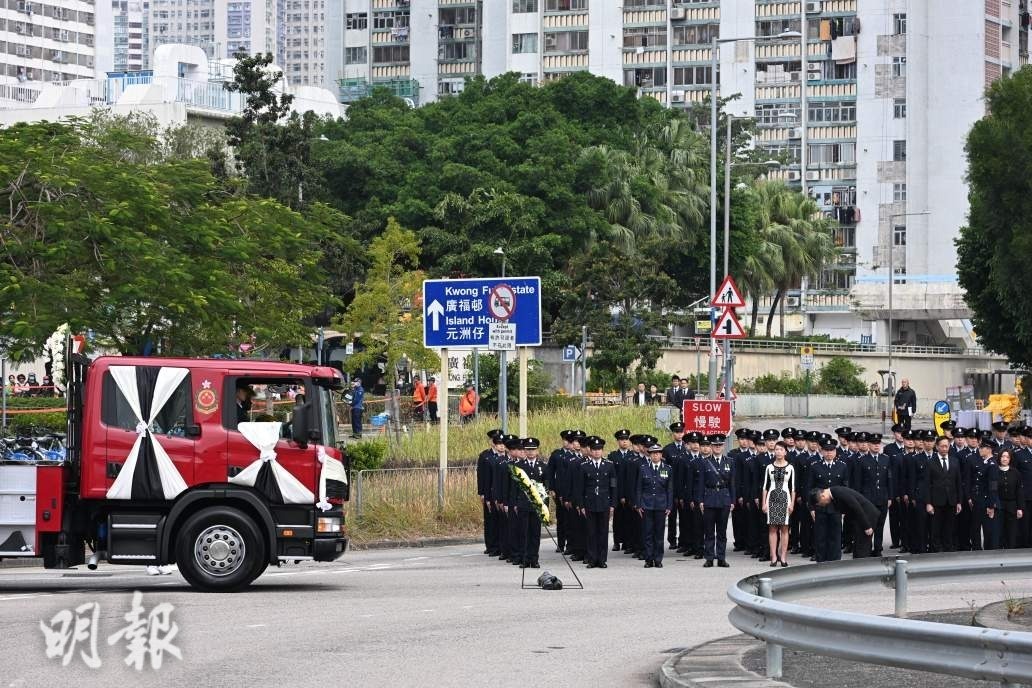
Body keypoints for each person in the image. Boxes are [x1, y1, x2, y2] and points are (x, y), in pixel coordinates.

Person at [575, 435, 616, 569]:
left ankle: (602, 559)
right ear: (590, 451)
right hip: (590, 503)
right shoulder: (584, 466)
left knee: (603, 532)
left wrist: (612, 504)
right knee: (591, 532)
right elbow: (580, 487)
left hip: (604, 503)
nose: (597, 452)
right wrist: (580, 505)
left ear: (602, 451)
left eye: (599, 449)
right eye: (594, 449)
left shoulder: (609, 466)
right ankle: (592, 559)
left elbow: (613, 486)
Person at [809, 486, 881, 559]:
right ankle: (858, 566)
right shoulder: (833, 495)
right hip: (860, 518)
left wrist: (867, 526)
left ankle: (862, 567)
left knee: (862, 548)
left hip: (867, 516)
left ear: (823, 496)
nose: (823, 505)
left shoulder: (838, 492)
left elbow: (856, 506)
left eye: (821, 503)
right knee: (857, 547)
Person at [808, 438, 849, 562]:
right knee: (820, 536)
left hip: (836, 507)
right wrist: (811, 508)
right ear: (822, 451)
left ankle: (835, 561)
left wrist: (844, 508)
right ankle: (821, 562)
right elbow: (810, 489)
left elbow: (845, 489)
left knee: (835, 536)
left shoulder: (842, 466)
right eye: (826, 450)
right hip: (820, 507)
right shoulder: (815, 466)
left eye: (831, 450)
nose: (829, 453)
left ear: (835, 452)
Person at [696, 434, 734, 568]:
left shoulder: (729, 461)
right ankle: (709, 558)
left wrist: (732, 500)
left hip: (724, 498)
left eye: (720, 445)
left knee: (722, 532)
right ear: (711, 447)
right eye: (715, 445)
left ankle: (721, 558)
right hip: (709, 498)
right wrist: (700, 500)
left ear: (723, 447)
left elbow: (732, 484)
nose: (717, 447)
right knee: (709, 531)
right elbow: (700, 483)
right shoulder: (705, 462)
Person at [635, 442, 673, 568]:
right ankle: (648, 559)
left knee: (659, 533)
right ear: (650, 455)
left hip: (661, 505)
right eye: (653, 453)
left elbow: (670, 489)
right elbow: (639, 488)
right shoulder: (643, 468)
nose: (655, 455)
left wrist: (669, 506)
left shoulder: (667, 469)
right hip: (647, 505)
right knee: (648, 533)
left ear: (661, 454)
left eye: (657, 453)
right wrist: (639, 504)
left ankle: (658, 559)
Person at [924, 436, 962, 552]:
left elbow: (958, 482)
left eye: (947, 446)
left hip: (951, 500)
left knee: (949, 527)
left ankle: (948, 548)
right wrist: (928, 503)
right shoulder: (930, 462)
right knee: (936, 527)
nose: (945, 449)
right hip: (936, 501)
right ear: (937, 447)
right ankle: (936, 549)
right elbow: (926, 484)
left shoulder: (955, 461)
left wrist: (959, 501)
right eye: (943, 446)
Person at [860, 433, 894, 556]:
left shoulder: (886, 459)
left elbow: (889, 479)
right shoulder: (862, 460)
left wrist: (890, 496)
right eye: (873, 444)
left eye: (878, 444)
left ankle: (878, 548)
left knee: (880, 524)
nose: (876, 446)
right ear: (869, 445)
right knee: (869, 524)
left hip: (883, 497)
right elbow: (860, 481)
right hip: (868, 498)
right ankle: (867, 547)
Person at [515, 438, 545, 569]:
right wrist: (515, 503)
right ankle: (524, 558)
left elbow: (546, 487)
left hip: (537, 506)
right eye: (528, 450)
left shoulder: (543, 467)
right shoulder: (519, 467)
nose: (531, 452)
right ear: (525, 451)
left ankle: (534, 559)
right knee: (523, 532)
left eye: (533, 450)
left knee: (535, 533)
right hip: (524, 504)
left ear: (537, 451)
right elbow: (514, 487)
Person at [763, 441, 794, 567]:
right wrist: (764, 503)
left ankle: (783, 556)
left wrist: (792, 504)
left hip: (785, 499)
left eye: (781, 449)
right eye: (776, 449)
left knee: (785, 529)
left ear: (785, 452)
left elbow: (793, 488)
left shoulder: (790, 467)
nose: (778, 452)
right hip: (772, 499)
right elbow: (765, 487)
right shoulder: (769, 467)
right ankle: (773, 556)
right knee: (772, 528)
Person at [477, 429, 504, 557]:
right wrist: (482, 493)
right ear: (492, 443)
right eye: (498, 443)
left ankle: (501, 545)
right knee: (490, 520)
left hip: (501, 493)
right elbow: (482, 476)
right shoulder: (485, 456)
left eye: (502, 443)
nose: (501, 445)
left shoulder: (505, 456)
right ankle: (491, 546)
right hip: (489, 492)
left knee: (501, 521)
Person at [996, 449, 1025, 549]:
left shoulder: (1015, 472)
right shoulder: (994, 471)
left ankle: (1011, 552)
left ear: (1010, 459)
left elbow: (1019, 491)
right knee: (999, 532)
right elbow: (992, 490)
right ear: (999, 457)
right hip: (998, 507)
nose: (1005, 459)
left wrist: (1020, 508)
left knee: (1011, 532)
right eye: (1003, 456)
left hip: (1012, 506)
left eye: (1007, 457)